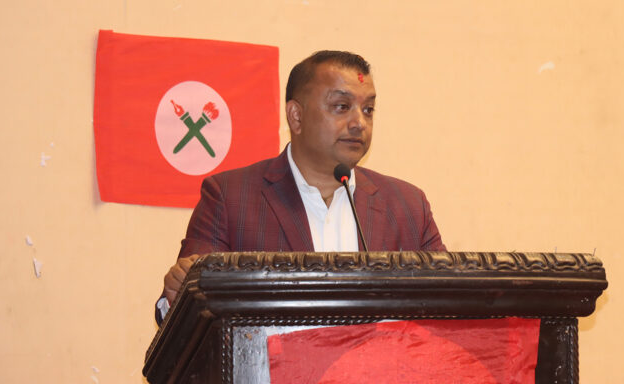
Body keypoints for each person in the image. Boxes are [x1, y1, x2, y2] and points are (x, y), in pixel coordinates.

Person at [157, 51, 446, 321]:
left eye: (368, 109)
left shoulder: (408, 207)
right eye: (342, 107)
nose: (359, 122)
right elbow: (188, 308)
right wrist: (177, 294)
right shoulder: (230, 197)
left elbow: (449, 306)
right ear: (296, 116)